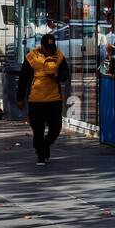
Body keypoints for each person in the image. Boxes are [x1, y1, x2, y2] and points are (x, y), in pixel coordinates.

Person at [17, 33, 70, 165]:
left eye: (52, 48)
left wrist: (57, 76)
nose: (49, 50)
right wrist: (20, 98)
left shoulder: (59, 56)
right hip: (36, 100)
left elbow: (65, 74)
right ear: (42, 46)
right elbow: (23, 78)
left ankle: (44, 146)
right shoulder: (31, 57)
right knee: (38, 129)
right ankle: (41, 155)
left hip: (54, 99)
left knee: (56, 127)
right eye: (47, 48)